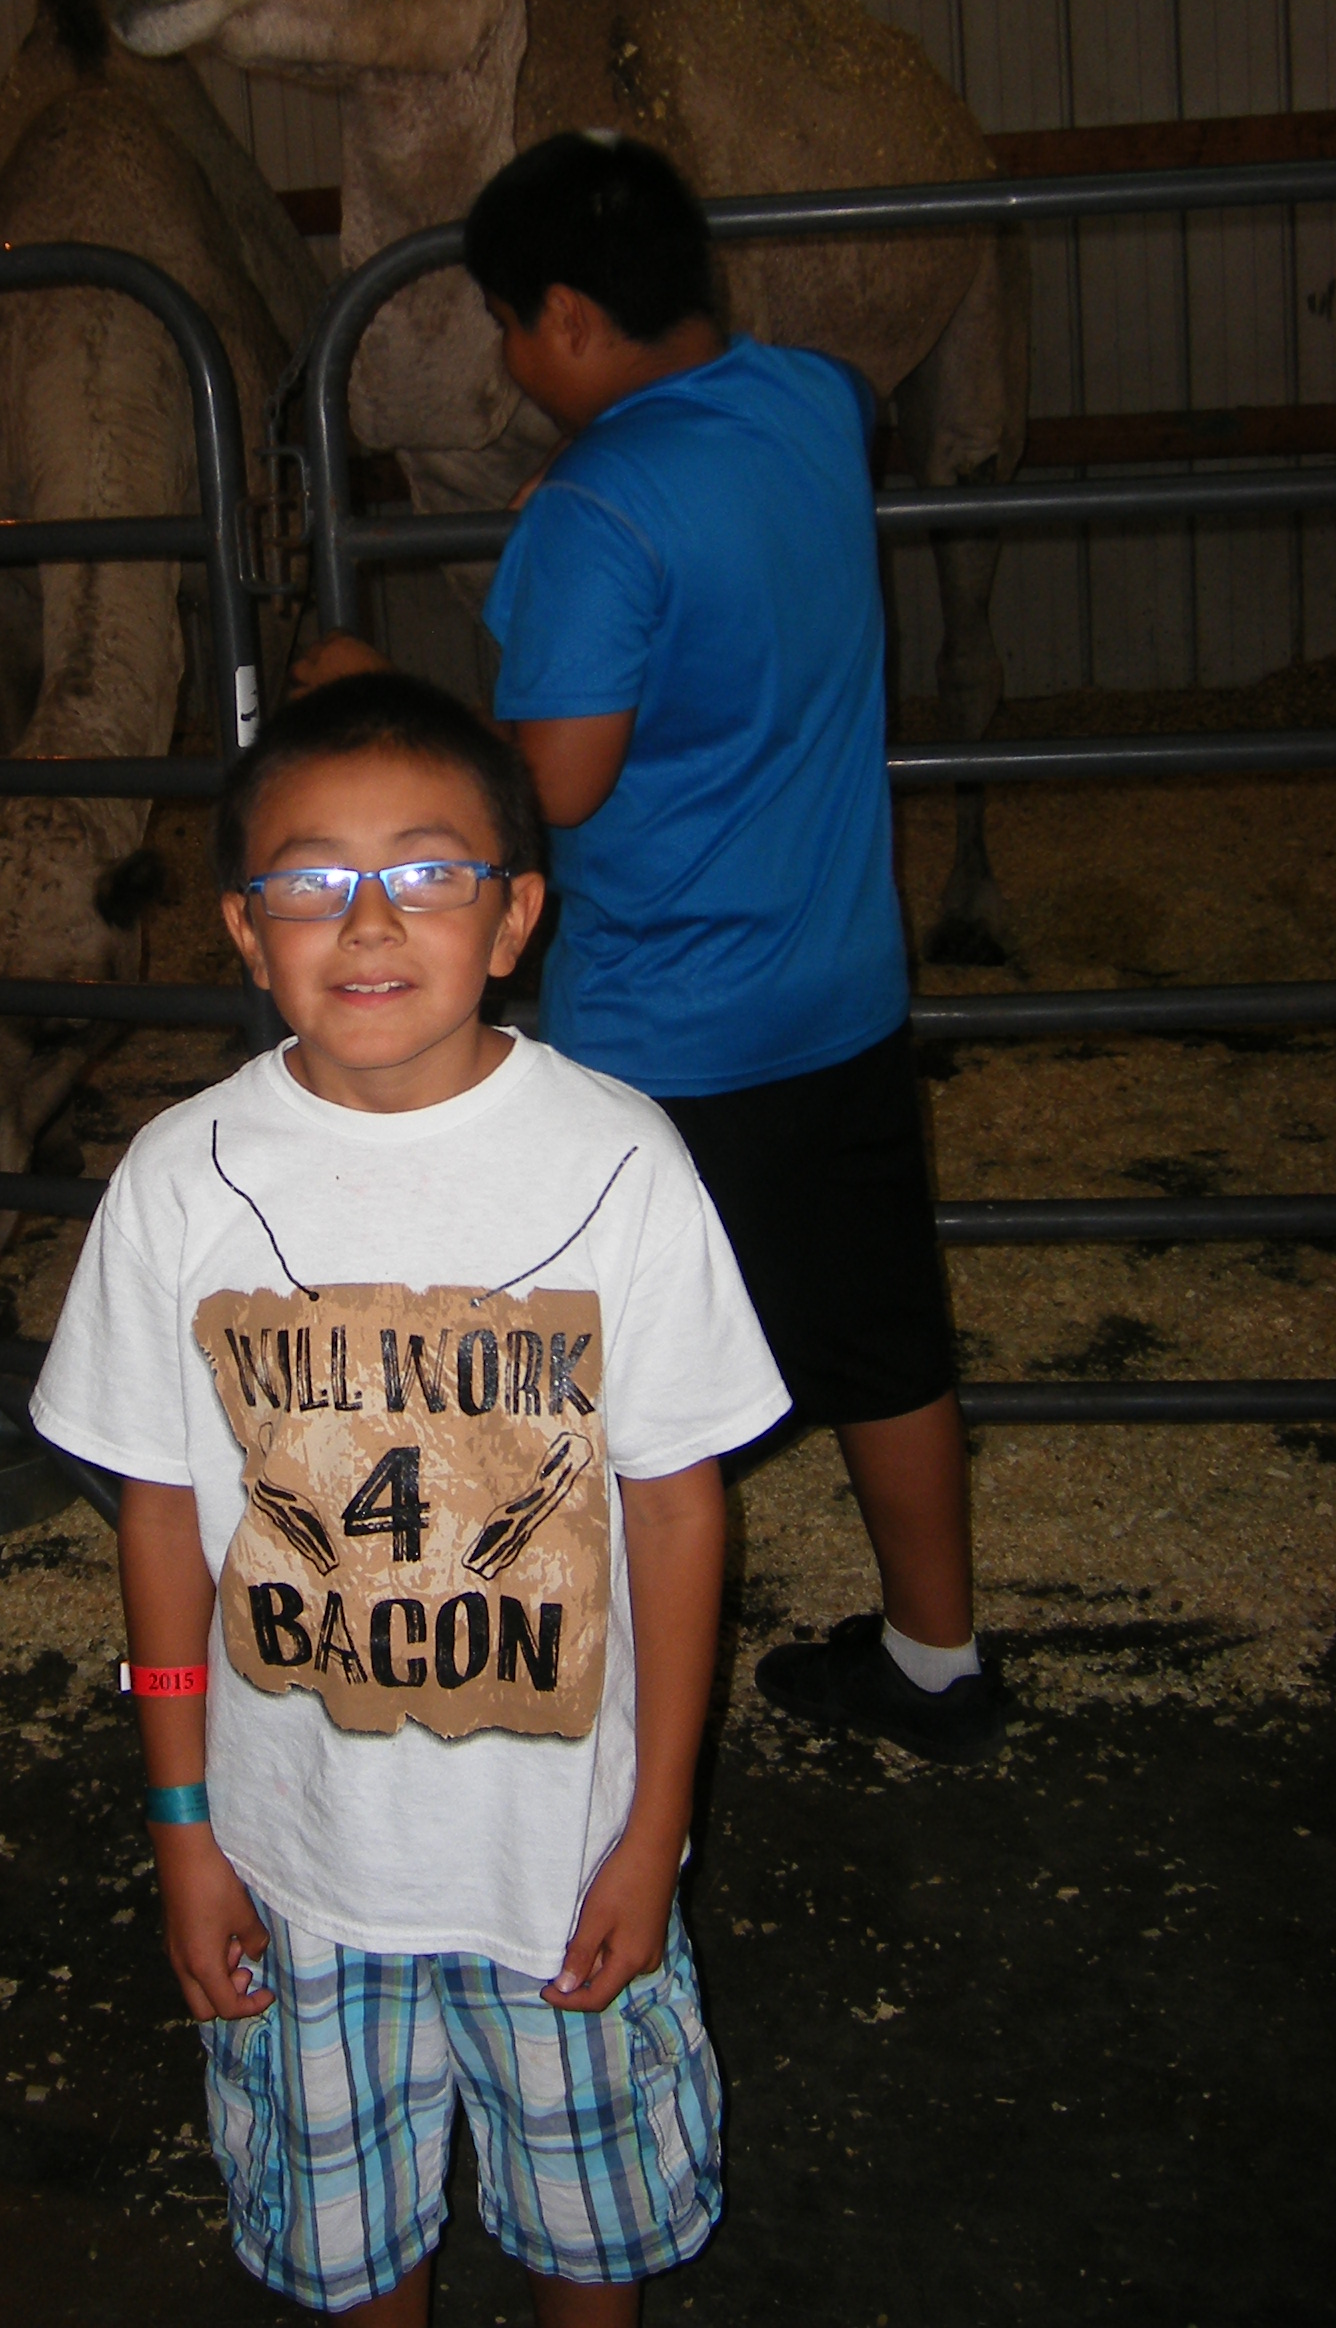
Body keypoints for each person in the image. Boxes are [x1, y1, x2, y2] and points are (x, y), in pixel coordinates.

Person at [32, 671, 789, 2323]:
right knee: (351, 2255)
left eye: (429, 870)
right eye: (307, 879)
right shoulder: (181, 1180)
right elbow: (160, 1521)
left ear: (513, 915)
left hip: (563, 1866)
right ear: (245, 931)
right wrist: (181, 1827)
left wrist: (658, 1835)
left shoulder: (620, 1162)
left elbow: (677, 1505)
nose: (367, 921)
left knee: (591, 2247)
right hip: (296, 1870)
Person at [455, 128, 1002, 1763]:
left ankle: (604, 1721)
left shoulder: (595, 511)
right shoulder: (820, 401)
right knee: (884, 1335)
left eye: (505, 324)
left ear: (563, 317)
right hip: (839, 992)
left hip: (664, 1040)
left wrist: (375, 691)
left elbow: (552, 784)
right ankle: (937, 1663)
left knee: (618, 1388)